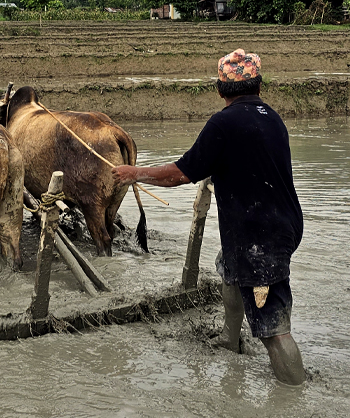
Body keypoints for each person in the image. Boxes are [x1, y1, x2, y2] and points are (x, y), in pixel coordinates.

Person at [112, 49, 306, 386]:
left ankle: (295, 394)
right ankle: (230, 340)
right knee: (229, 269)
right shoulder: (272, 117)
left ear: (219, 90)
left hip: (258, 236)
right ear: (259, 86)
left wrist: (134, 173)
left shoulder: (224, 123)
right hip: (278, 226)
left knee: (272, 329)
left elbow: (180, 174)